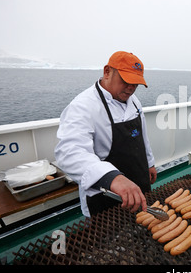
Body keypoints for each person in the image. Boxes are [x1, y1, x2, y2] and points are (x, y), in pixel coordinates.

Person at [55, 51, 157, 217]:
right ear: (107, 72)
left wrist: (150, 163)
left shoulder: (133, 100)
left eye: (136, 83)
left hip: (138, 183)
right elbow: (69, 152)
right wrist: (112, 178)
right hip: (105, 194)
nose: (131, 88)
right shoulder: (83, 106)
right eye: (126, 80)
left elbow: (142, 135)